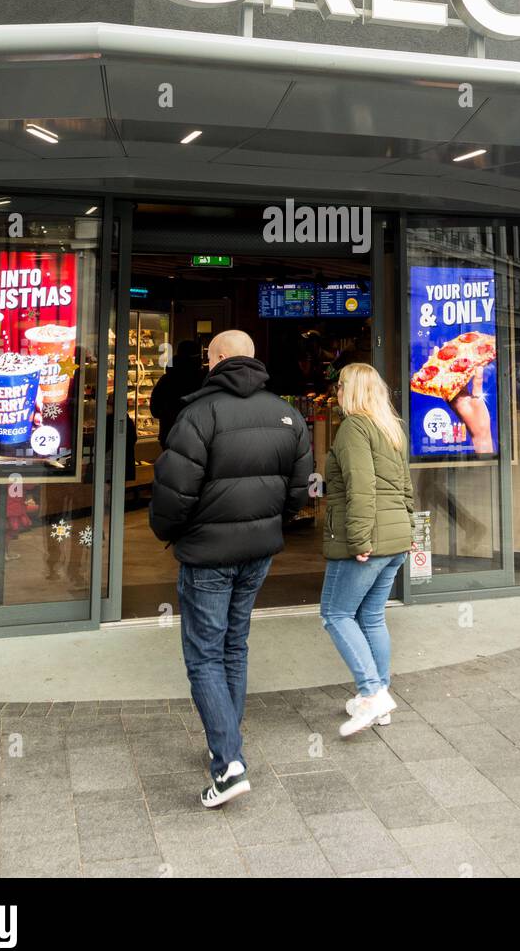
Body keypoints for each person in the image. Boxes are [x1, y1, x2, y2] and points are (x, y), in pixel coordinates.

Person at [150, 329, 313, 808]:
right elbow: (301, 491)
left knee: (204, 655)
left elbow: (172, 495)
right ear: (253, 357)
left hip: (207, 556)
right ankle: (227, 744)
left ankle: (228, 763)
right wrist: (268, 525)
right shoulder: (287, 413)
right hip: (258, 553)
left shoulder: (198, 413)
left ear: (215, 358)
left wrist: (171, 534)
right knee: (234, 645)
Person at [320, 363, 415, 737]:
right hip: (394, 541)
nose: (336, 392)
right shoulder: (391, 429)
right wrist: (408, 530)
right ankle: (380, 699)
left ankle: (372, 693)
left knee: (336, 614)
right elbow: (406, 487)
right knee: (372, 617)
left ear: (351, 390)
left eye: (339, 385)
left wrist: (359, 539)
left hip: (369, 541)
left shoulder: (353, 428)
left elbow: (361, 488)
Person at [150, 339, 203, 448]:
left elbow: (155, 409)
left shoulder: (167, 379)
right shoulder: (203, 380)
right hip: (197, 436)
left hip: (169, 433)